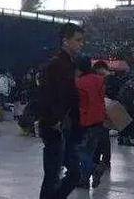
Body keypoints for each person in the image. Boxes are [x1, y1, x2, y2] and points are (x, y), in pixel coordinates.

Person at [37, 23, 84, 199]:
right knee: (53, 175)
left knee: (70, 174)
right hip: (55, 126)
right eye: (78, 40)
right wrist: (53, 120)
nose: (81, 44)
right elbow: (47, 95)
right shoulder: (56, 65)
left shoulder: (69, 65)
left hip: (66, 127)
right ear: (65, 41)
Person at [75, 56, 107, 190]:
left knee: (79, 150)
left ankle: (95, 168)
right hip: (99, 119)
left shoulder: (79, 83)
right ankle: (84, 180)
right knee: (90, 151)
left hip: (86, 120)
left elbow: (80, 104)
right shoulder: (100, 80)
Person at [92, 61, 113, 172]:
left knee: (101, 137)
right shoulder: (106, 80)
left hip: (101, 112)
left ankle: (100, 160)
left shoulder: (106, 80)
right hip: (102, 112)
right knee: (102, 137)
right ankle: (103, 160)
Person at [116, 70, 134, 146]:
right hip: (128, 107)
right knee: (128, 124)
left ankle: (121, 138)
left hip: (122, 106)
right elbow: (129, 98)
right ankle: (126, 139)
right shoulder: (129, 87)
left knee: (122, 123)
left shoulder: (123, 85)